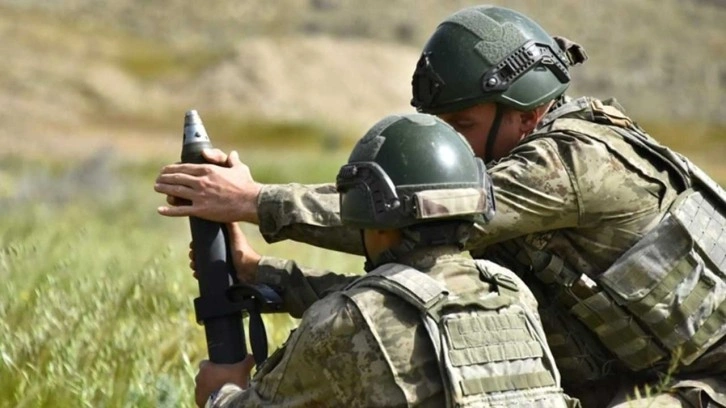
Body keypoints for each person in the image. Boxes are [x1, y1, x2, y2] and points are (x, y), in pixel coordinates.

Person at [156, 5, 726, 407]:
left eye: (463, 124)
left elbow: (409, 209)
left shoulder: (573, 165)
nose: (452, 145)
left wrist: (254, 201)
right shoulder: (524, 168)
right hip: (632, 375)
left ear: (526, 114)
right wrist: (263, 274)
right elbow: (417, 301)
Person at [192, 113, 576, 408]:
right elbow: (401, 303)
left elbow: (369, 311)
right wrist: (258, 269)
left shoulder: (346, 321)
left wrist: (219, 392)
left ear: (372, 222)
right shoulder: (510, 293)